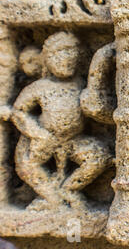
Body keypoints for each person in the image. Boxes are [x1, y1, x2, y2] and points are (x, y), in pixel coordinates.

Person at [11, 32, 113, 210]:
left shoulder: (80, 84)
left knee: (98, 156)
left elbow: (95, 103)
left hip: (72, 140)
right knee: (27, 165)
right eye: (58, 55)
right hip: (44, 139)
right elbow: (19, 112)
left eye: (71, 55)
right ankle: (50, 194)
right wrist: (37, 133)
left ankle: (69, 189)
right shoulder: (39, 87)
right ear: (47, 59)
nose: (65, 60)